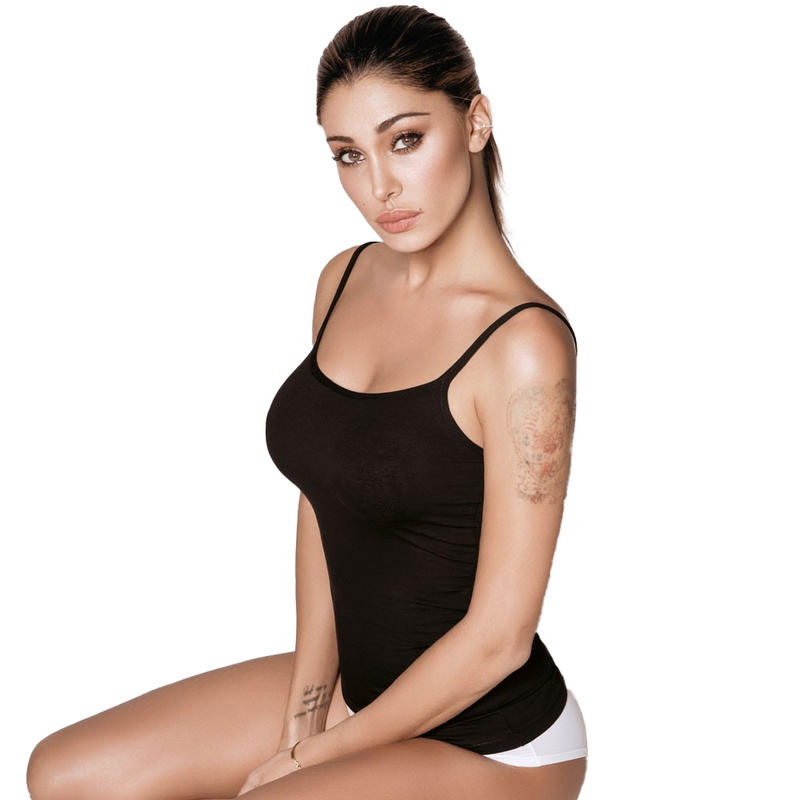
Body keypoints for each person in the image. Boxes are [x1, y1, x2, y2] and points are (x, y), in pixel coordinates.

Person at [26, 6, 587, 799]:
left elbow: (500, 639)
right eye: (348, 155)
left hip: (493, 744)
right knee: (63, 775)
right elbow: (325, 497)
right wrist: (305, 715)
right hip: (361, 691)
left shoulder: (525, 346)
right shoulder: (345, 280)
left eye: (405, 140)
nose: (379, 186)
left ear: (475, 122)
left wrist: (312, 759)